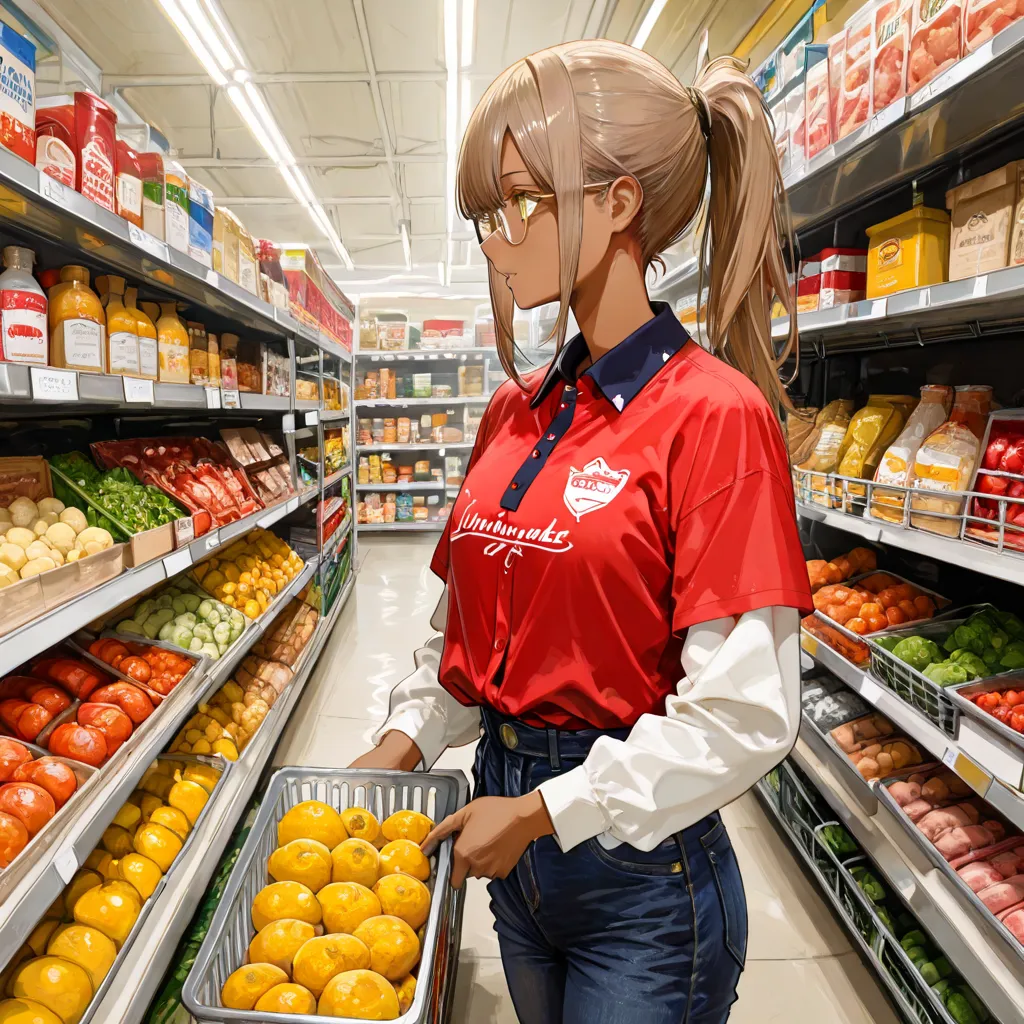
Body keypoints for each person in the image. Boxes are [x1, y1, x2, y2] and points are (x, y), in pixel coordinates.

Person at [351, 39, 813, 1024]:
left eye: (518, 201)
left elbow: (746, 713)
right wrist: (404, 737)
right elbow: (460, 640)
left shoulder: (714, 415)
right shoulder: (511, 414)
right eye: (485, 212)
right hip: (511, 850)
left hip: (639, 877)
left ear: (616, 204)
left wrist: (546, 811)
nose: (494, 236)